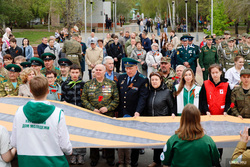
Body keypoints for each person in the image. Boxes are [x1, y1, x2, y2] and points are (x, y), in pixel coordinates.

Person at [10, 75, 72, 167]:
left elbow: (14, 142)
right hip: (53, 162)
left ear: (30, 91)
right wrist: (69, 150)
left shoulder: (19, 111)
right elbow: (65, 145)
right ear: (48, 90)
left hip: (27, 162)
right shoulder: (58, 113)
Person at [81, 64, 119, 167]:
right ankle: (94, 158)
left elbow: (116, 100)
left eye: (100, 70)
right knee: (94, 137)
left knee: (109, 138)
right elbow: (84, 99)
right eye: (96, 70)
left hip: (108, 116)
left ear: (104, 71)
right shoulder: (88, 84)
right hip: (93, 116)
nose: (97, 72)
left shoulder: (111, 84)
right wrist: (92, 109)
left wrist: (108, 108)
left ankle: (110, 158)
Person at [117, 58, 149, 167]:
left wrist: (138, 111)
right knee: (122, 138)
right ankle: (122, 161)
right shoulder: (121, 77)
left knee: (134, 139)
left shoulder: (142, 79)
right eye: (126, 68)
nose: (128, 70)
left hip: (135, 113)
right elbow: (119, 96)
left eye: (130, 68)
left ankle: (133, 161)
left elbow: (143, 98)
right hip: (122, 113)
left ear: (136, 67)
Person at [147, 72, 174, 167]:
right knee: (156, 143)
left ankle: (166, 162)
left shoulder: (166, 92)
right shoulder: (149, 91)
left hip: (163, 122)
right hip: (152, 122)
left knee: (165, 143)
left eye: (156, 80)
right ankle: (156, 161)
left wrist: (172, 116)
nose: (154, 82)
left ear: (161, 80)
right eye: (152, 80)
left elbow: (172, 106)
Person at [61, 64, 85, 165]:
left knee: (81, 133)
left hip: (81, 112)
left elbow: (85, 98)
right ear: (69, 73)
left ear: (79, 73)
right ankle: (72, 154)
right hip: (70, 113)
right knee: (71, 134)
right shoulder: (65, 84)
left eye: (76, 72)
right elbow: (62, 98)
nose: (74, 74)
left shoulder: (83, 84)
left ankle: (81, 155)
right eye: (73, 72)